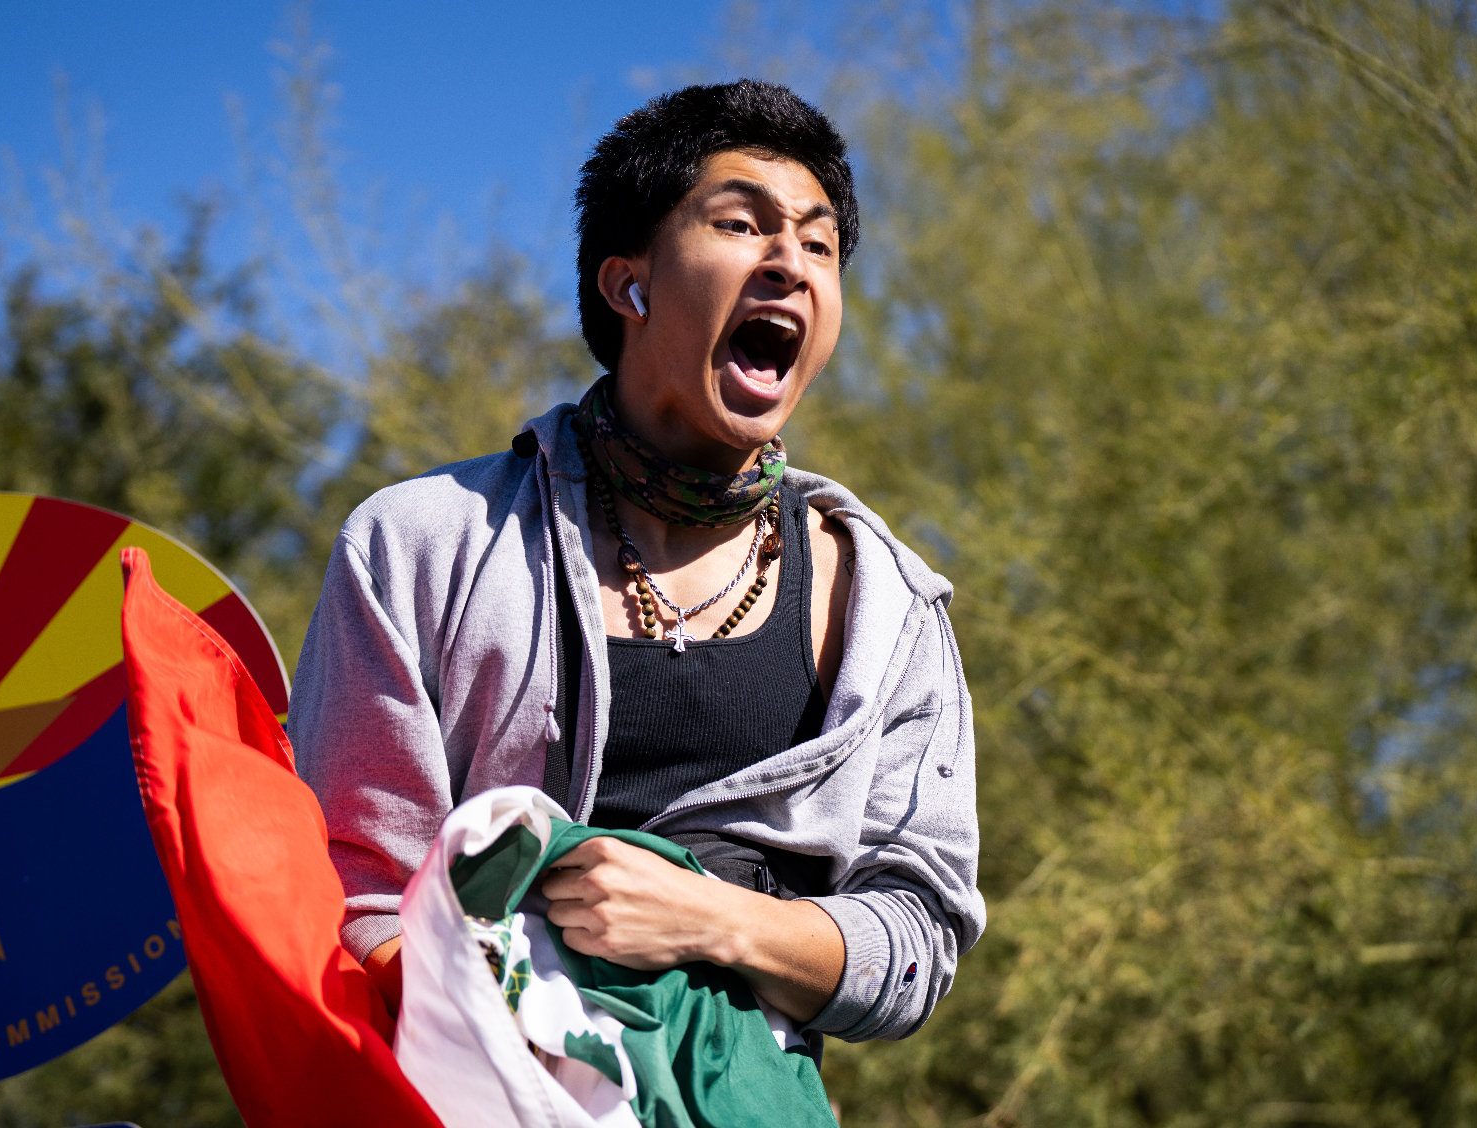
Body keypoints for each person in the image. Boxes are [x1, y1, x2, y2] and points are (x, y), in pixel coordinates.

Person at [289, 79, 983, 1052]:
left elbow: (917, 948)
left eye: (819, 244)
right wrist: (526, 1037)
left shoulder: (886, 607)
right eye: (741, 224)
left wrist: (710, 918)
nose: (790, 261)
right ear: (630, 285)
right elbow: (348, 886)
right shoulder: (422, 545)